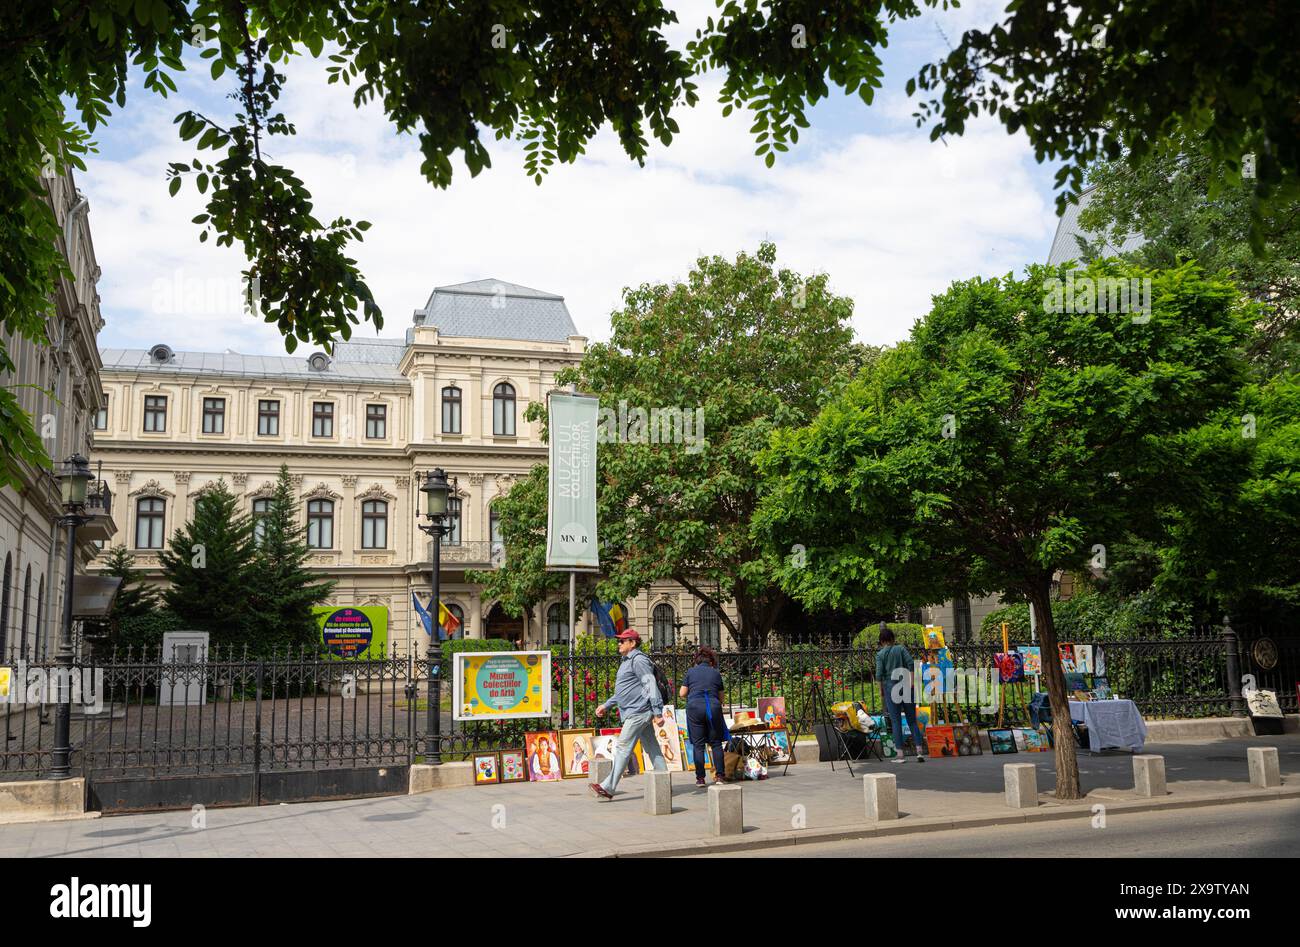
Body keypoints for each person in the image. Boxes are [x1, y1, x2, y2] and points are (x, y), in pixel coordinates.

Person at [590, 629, 667, 799]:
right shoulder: (626, 661)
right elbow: (624, 691)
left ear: (632, 643)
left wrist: (657, 712)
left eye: (622, 641)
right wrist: (606, 705)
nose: (619, 644)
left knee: (623, 747)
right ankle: (663, 781)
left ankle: (608, 787)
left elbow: (650, 684)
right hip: (636, 711)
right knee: (652, 747)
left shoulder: (638, 660)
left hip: (638, 712)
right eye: (619, 641)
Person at [876, 624, 927, 763]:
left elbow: (879, 674)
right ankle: (919, 751)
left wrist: (881, 691)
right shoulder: (901, 649)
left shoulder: (880, 654)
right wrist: (911, 682)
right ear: (893, 638)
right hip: (906, 684)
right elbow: (911, 663)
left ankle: (900, 754)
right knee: (912, 719)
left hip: (890, 687)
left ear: (881, 641)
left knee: (895, 721)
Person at [679, 646, 727, 787]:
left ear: (697, 661)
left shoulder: (691, 672)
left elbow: (682, 693)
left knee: (698, 745)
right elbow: (721, 697)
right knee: (716, 743)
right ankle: (719, 776)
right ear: (711, 661)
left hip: (695, 708)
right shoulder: (716, 673)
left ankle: (700, 778)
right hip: (713, 708)